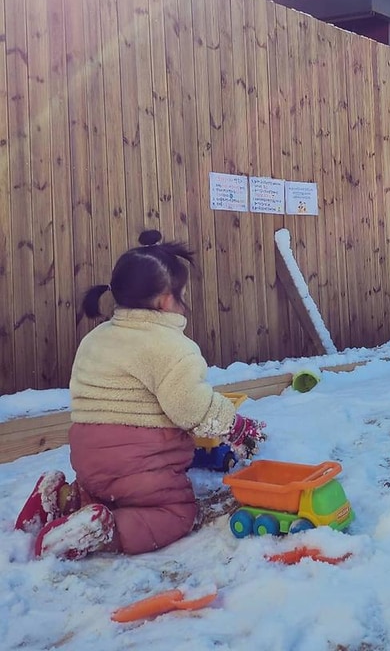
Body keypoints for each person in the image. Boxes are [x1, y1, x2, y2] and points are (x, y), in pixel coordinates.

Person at [14, 231, 265, 559]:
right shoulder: (172, 348)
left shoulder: (95, 338)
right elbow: (191, 406)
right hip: (139, 464)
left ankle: (63, 498)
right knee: (177, 513)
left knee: (108, 493)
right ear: (166, 300)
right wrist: (235, 425)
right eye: (182, 295)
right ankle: (103, 531)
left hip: (89, 458)